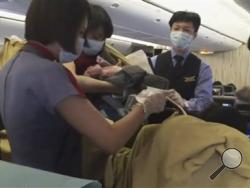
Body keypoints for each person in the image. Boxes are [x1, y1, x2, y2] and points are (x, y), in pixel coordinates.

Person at [0, 0, 167, 177]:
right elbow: (111, 140)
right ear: (64, 28)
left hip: (27, 175)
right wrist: (145, 107)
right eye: (81, 32)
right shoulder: (51, 74)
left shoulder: (12, 65)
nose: (82, 41)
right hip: (58, 180)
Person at [150, 11, 213, 114]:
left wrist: (184, 103)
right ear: (170, 31)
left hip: (186, 122)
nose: (180, 33)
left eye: (186, 30)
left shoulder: (202, 68)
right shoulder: (154, 62)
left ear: (194, 35)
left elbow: (205, 101)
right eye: (176, 28)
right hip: (154, 120)